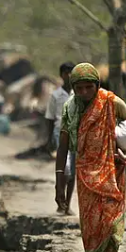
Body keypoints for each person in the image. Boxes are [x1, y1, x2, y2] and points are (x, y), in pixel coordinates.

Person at [55, 63, 126, 252]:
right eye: (79, 88)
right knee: (91, 231)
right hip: (85, 175)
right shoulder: (70, 110)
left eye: (89, 87)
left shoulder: (110, 102)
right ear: (73, 88)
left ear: (97, 86)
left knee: (111, 227)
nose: (84, 93)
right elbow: (62, 147)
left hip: (111, 172)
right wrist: (59, 181)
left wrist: (122, 150)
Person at [45, 62, 76, 214]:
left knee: (73, 172)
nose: (69, 75)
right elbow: (50, 118)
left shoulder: (79, 94)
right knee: (65, 170)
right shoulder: (56, 95)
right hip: (60, 133)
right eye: (66, 72)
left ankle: (67, 205)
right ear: (62, 75)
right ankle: (60, 196)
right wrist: (49, 138)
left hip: (76, 135)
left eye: (71, 72)